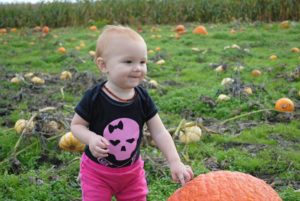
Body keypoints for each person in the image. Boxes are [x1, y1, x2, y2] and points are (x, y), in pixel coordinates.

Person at [70, 25, 193, 201]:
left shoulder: (142, 98)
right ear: (103, 65)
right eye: (128, 62)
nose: (138, 68)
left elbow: (159, 132)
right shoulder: (94, 97)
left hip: (131, 174)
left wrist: (174, 161)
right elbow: (76, 125)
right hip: (97, 173)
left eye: (142, 62)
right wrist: (91, 138)